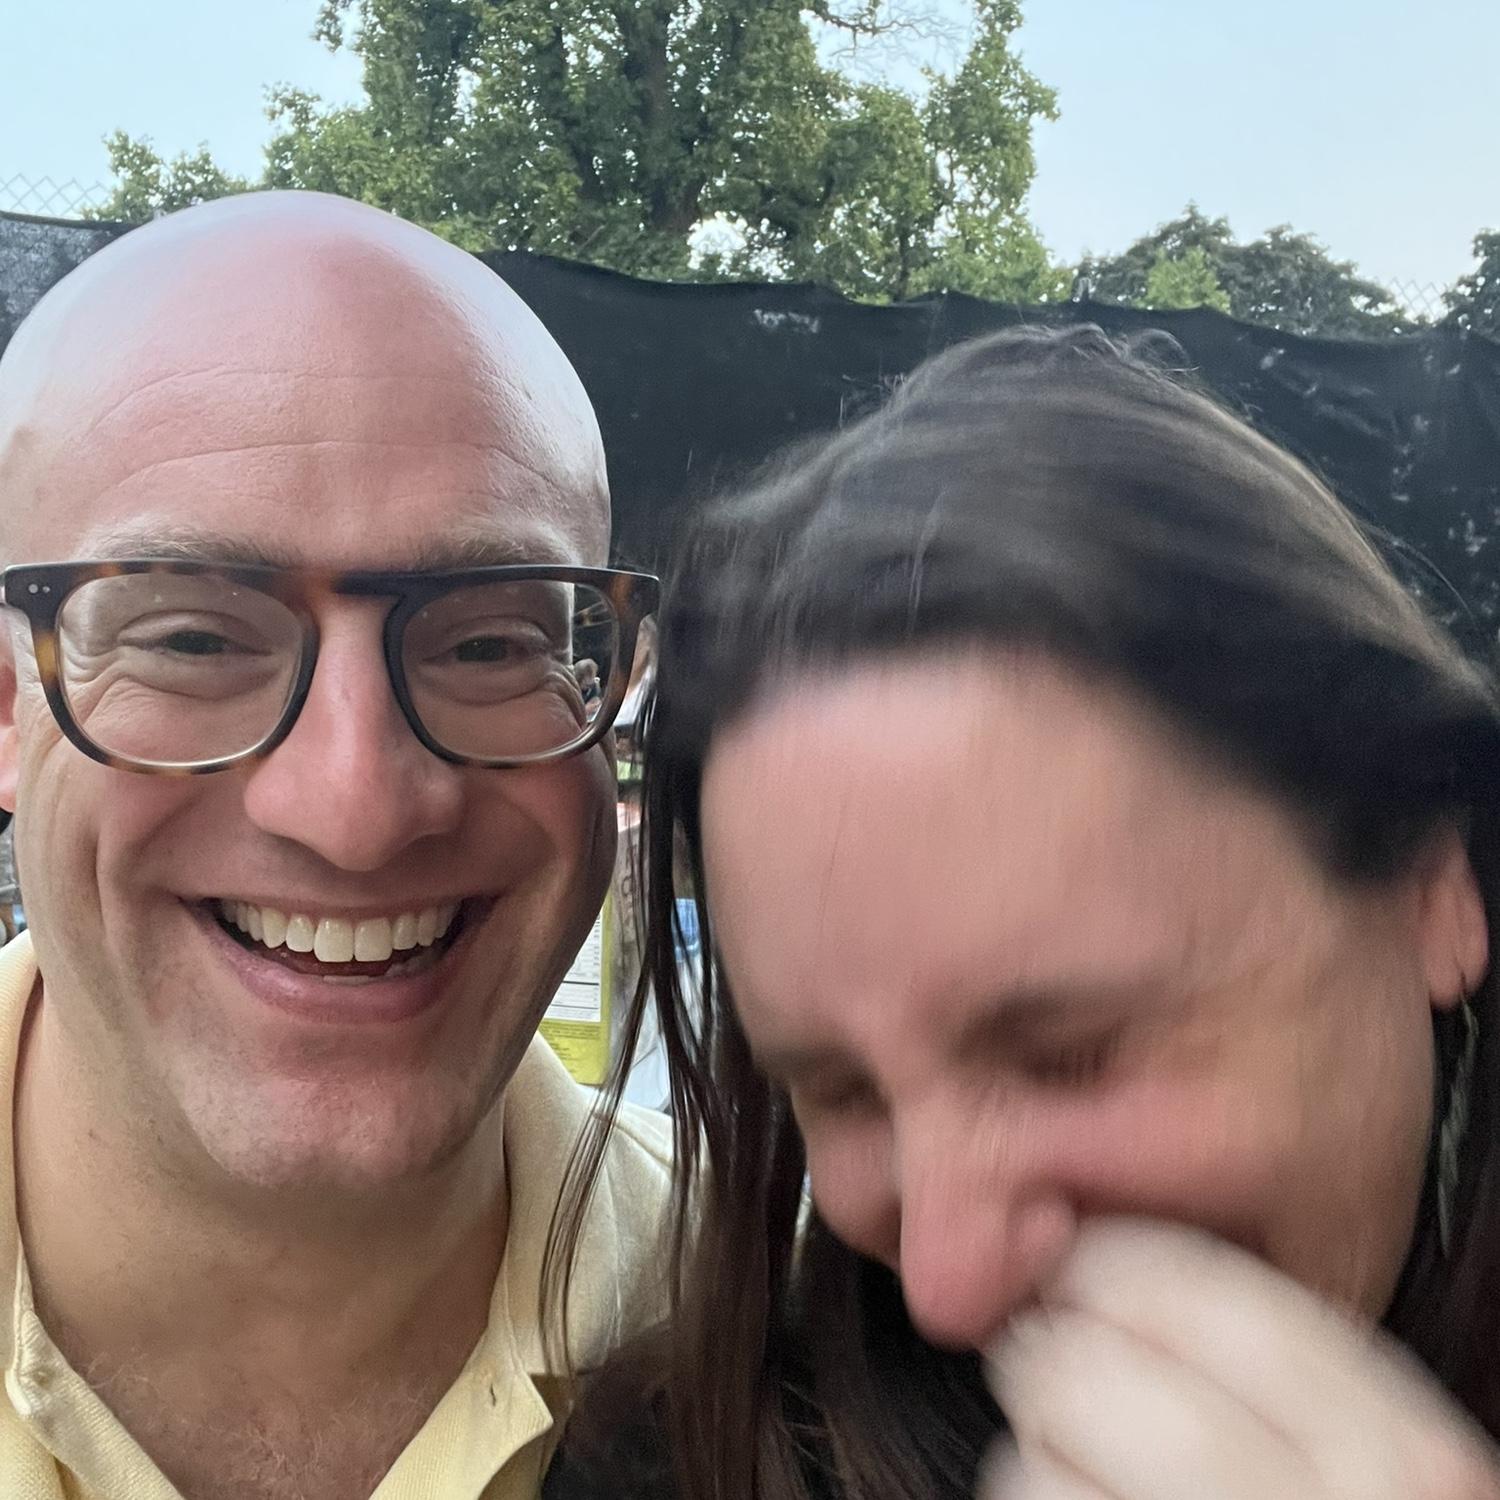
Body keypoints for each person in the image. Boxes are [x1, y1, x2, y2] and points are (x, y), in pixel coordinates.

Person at [547, 325, 1500, 1500]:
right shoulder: (679, 1466)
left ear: (1434, 887)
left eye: (1069, 1056)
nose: (949, 1286)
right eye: (839, 1093)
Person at [0, 190, 671, 1500]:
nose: (356, 812)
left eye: (489, 642)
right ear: (10, 709)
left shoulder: (808, 1350)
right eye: (194, 637)